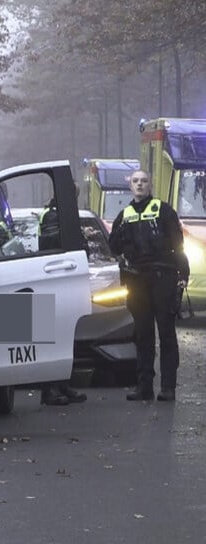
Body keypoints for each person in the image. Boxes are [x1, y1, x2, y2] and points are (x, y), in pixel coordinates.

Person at [108, 169, 189, 401]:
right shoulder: (124, 216)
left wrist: (183, 274)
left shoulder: (163, 211)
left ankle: (168, 388)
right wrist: (120, 234)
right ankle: (144, 386)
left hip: (163, 277)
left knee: (166, 334)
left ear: (150, 184)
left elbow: (178, 245)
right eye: (136, 181)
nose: (140, 185)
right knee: (143, 335)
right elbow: (114, 248)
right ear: (130, 186)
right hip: (137, 280)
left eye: (144, 181)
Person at [37, 188, 87, 406]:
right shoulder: (51, 215)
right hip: (52, 277)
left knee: (65, 336)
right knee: (51, 337)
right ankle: (49, 389)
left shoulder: (63, 214)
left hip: (63, 279)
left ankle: (63, 384)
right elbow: (53, 243)